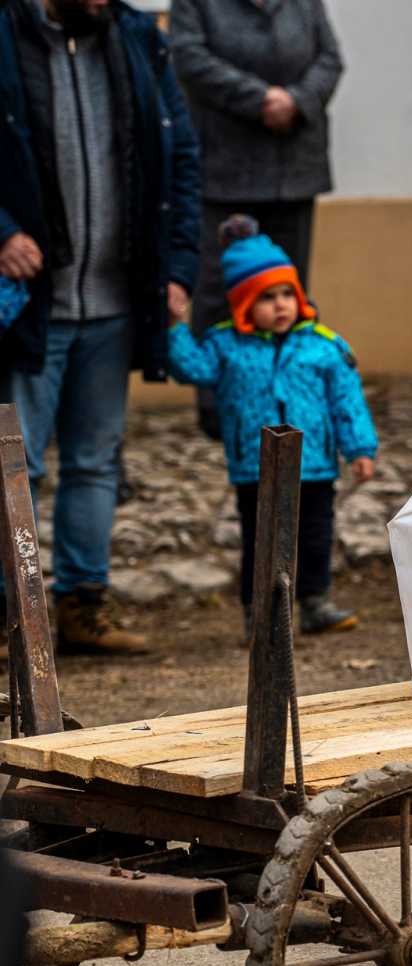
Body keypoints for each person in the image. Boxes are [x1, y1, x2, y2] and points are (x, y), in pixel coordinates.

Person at [0, 0, 201, 654]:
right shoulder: (6, 32)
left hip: (117, 301)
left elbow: (182, 154)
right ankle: (9, 618)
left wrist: (176, 270)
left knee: (94, 461)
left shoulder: (138, 35)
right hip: (32, 302)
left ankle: (83, 608)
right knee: (15, 464)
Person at [168, 219, 377, 638]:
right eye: (267, 298)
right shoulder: (225, 344)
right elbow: (192, 367)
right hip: (256, 466)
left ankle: (315, 602)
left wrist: (360, 448)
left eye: (287, 294)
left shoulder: (323, 344)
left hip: (315, 464)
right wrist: (174, 327)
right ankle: (259, 615)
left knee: (315, 535)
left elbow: (346, 400)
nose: (281, 305)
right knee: (261, 542)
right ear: (244, 305)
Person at [169, 0, 342, 440]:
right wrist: (260, 99)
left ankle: (289, 395)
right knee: (217, 290)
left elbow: (329, 58)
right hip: (225, 167)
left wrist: (297, 100)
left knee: (288, 290)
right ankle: (218, 402)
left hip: (294, 166)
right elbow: (190, 58)